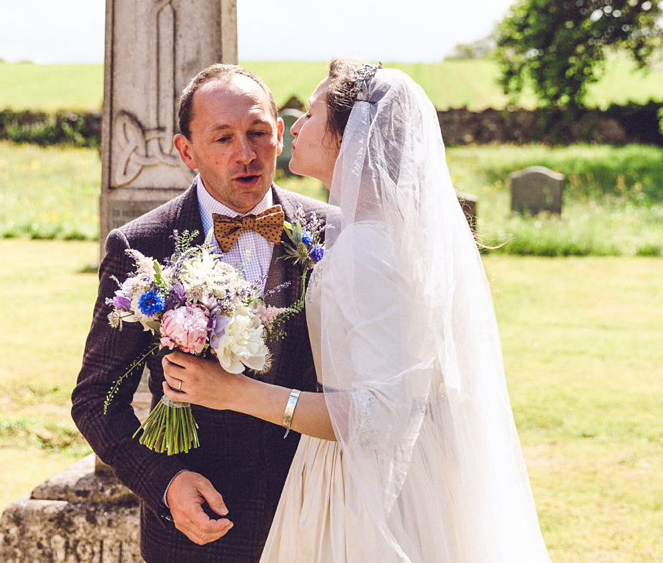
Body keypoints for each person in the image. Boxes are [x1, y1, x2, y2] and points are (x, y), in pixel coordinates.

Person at [161, 59, 552, 561]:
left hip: (358, 486)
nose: (294, 125)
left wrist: (233, 390)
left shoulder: (366, 248)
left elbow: (378, 416)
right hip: (360, 468)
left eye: (313, 114)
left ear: (348, 136)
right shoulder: (372, 235)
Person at [72, 64, 329, 562]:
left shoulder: (330, 232)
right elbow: (94, 399)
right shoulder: (142, 245)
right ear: (186, 151)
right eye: (223, 138)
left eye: (257, 133)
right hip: (200, 534)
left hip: (317, 514)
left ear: (280, 135)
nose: (245, 153)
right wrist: (165, 484)